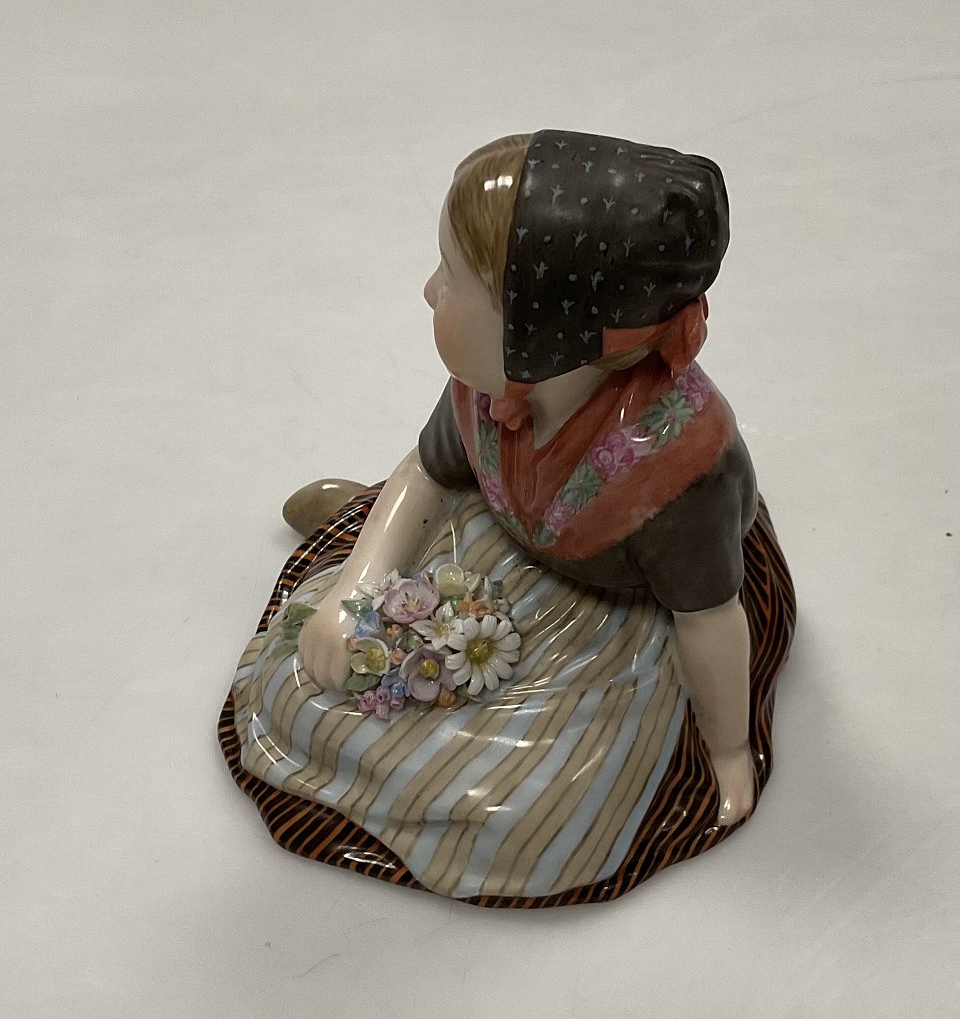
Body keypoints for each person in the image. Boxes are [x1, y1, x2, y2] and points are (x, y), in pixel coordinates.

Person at [223, 130, 795, 905]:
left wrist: (727, 751)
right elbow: (428, 470)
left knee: (528, 809)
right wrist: (353, 590)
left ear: (543, 332)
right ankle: (357, 529)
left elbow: (709, 620)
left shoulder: (679, 473)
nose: (429, 291)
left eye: (453, 280)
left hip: (624, 611)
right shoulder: (492, 387)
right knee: (305, 676)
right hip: (499, 537)